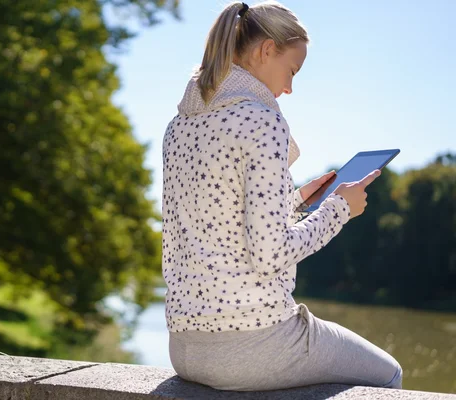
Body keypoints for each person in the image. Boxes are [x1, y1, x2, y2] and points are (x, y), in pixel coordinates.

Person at [161, 1, 403, 392]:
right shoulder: (262, 118)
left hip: (184, 347)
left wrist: (292, 200)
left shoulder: (179, 125)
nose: (289, 88)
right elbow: (271, 254)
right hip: (252, 344)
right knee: (388, 374)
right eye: (292, 70)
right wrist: (339, 209)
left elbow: (214, 218)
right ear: (266, 50)